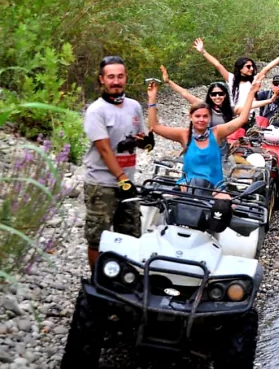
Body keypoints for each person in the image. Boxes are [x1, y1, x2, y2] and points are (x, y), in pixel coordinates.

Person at [147, 68, 264, 196]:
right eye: (197, 116)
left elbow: (242, 119)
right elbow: (155, 126)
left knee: (228, 205)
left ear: (209, 118)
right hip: (187, 185)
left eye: (205, 116)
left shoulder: (217, 132)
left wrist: (252, 91)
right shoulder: (184, 135)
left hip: (214, 186)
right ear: (190, 117)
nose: (201, 120)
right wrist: (152, 99)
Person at [82, 56, 149, 272]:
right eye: (111, 77)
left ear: (126, 78)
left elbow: (142, 140)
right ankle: (98, 282)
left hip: (127, 181)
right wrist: (122, 179)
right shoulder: (96, 110)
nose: (116, 81)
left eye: (120, 76)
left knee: (131, 234)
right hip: (102, 184)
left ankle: (125, 279)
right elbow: (104, 149)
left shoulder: (134, 107)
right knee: (98, 237)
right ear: (102, 79)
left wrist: (145, 142)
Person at [160, 66, 234, 161]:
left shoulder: (230, 110)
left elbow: (247, 108)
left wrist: (255, 92)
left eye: (221, 94)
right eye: (214, 94)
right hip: (201, 147)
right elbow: (185, 93)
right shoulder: (204, 107)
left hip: (220, 150)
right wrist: (168, 81)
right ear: (209, 96)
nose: (217, 97)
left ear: (225, 95)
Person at [193, 38, 255, 114]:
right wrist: (203, 51)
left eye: (252, 66)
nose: (251, 69)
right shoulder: (231, 79)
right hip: (234, 114)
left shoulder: (254, 80)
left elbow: (266, 69)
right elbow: (217, 65)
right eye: (248, 66)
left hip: (248, 115)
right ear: (240, 68)